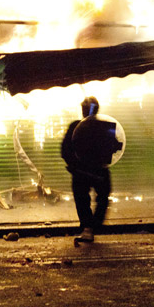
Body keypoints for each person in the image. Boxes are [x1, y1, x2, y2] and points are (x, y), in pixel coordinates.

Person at [61, 96, 112, 243]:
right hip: (98, 170)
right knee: (100, 197)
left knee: (83, 199)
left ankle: (89, 228)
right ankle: (92, 226)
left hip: (82, 171)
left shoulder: (75, 126)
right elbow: (112, 148)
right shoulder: (105, 127)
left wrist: (73, 165)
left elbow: (65, 150)